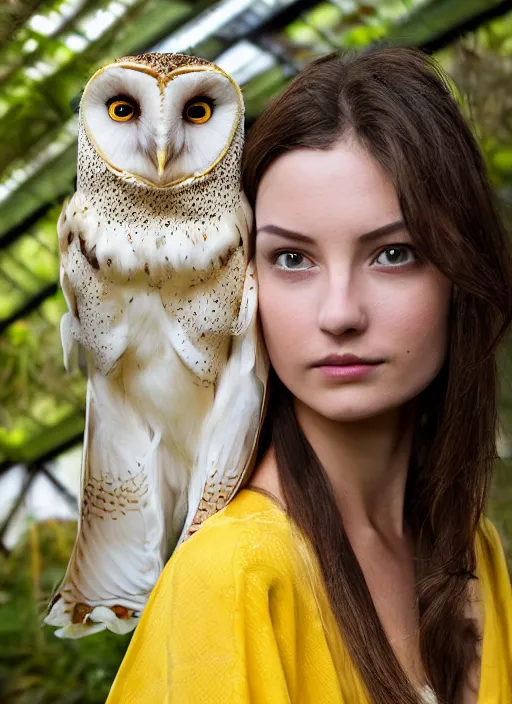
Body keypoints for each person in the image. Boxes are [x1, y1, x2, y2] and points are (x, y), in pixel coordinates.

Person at [105, 47, 512, 704]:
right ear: (244, 279)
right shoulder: (233, 575)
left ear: (460, 274)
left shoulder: (469, 546)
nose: (340, 313)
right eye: (293, 258)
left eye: (394, 254)